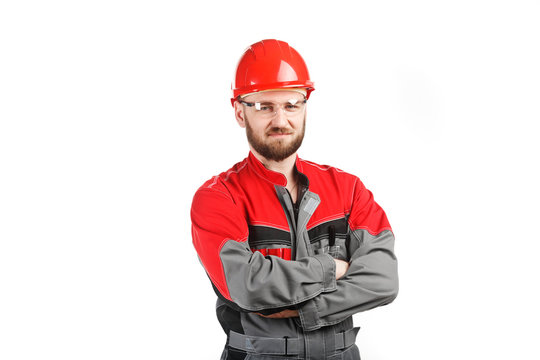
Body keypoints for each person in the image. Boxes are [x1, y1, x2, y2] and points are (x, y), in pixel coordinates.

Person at [191, 39, 398, 360]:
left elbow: (383, 279)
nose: (281, 119)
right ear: (239, 111)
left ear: (304, 106)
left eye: (291, 104)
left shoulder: (348, 189)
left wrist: (306, 310)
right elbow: (247, 285)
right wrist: (331, 267)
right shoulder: (218, 198)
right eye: (264, 106)